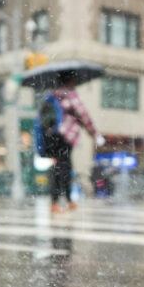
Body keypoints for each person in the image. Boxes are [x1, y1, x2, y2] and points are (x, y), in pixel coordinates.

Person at [46, 74, 103, 213]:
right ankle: (62, 201)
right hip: (66, 135)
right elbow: (83, 115)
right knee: (64, 168)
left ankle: (61, 200)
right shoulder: (70, 95)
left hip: (53, 135)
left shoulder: (53, 96)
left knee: (59, 167)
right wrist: (95, 134)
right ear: (70, 81)